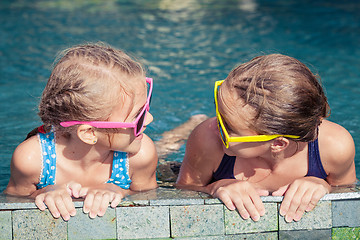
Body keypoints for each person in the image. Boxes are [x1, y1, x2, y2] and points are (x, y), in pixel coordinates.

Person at [176, 54, 356, 222]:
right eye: (218, 110)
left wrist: (324, 186)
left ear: (277, 143)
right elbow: (181, 191)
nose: (214, 126)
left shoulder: (335, 146)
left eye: (228, 127)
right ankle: (180, 131)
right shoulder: (207, 138)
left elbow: (350, 195)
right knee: (166, 149)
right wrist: (212, 188)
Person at [5, 43, 158, 221]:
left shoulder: (140, 155)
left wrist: (120, 191)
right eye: (137, 117)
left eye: (146, 107)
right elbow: (12, 200)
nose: (150, 119)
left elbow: (152, 197)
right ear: (89, 133)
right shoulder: (32, 160)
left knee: (168, 148)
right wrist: (44, 192)